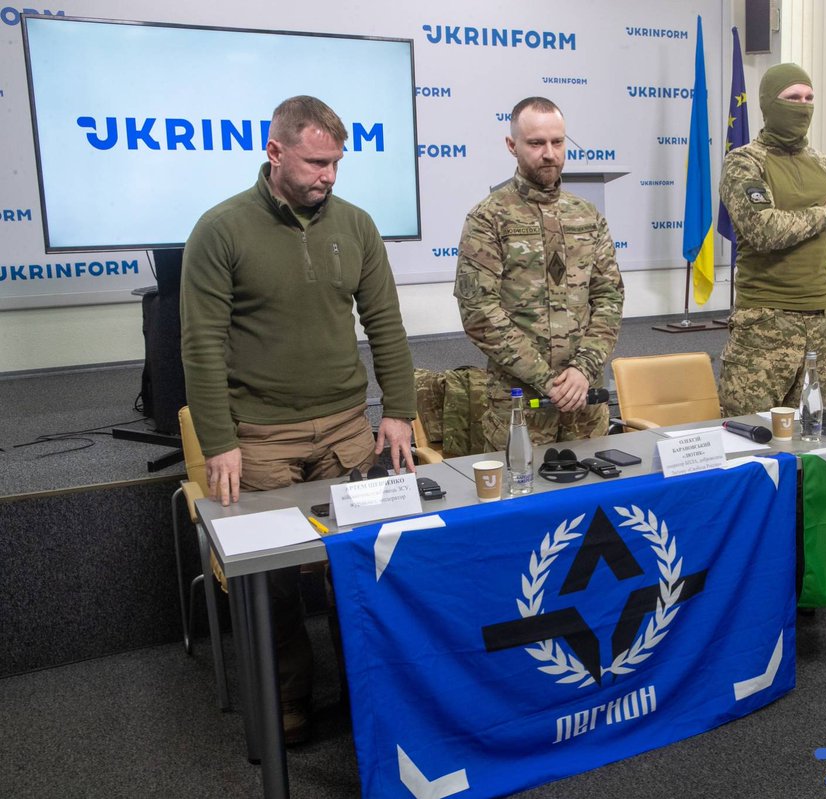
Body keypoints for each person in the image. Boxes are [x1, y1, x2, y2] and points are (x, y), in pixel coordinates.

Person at [180, 95, 417, 744]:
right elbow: (200, 342)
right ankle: (289, 700)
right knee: (274, 584)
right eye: (316, 162)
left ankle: (369, 693)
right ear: (275, 151)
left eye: (337, 163)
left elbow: (385, 324)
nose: (329, 176)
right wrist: (219, 442)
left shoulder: (358, 225)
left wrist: (397, 408)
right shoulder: (221, 229)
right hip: (259, 437)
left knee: (361, 564)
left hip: (345, 427)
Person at [455, 96, 624, 450]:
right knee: (520, 499)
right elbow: (479, 313)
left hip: (586, 399)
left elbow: (609, 297)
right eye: (536, 143)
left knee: (595, 499)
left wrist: (582, 368)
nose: (549, 153)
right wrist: (548, 380)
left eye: (557, 142)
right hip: (519, 402)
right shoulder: (488, 218)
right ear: (512, 145)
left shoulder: (587, 216)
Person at [717, 63, 826, 415]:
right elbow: (763, 230)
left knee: (818, 441)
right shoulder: (744, 162)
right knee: (751, 442)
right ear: (769, 103)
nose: (803, 106)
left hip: (823, 329)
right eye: (792, 97)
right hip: (764, 328)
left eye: (809, 98)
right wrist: (825, 212)